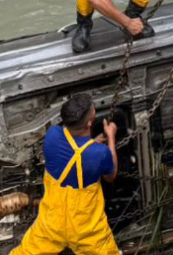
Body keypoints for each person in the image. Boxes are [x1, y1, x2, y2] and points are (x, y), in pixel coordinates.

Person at [10, 93, 120, 255]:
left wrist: (92, 143)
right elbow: (110, 176)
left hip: (52, 223)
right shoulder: (100, 153)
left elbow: (71, 149)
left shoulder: (52, 135)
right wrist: (111, 136)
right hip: (86, 228)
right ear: (90, 123)